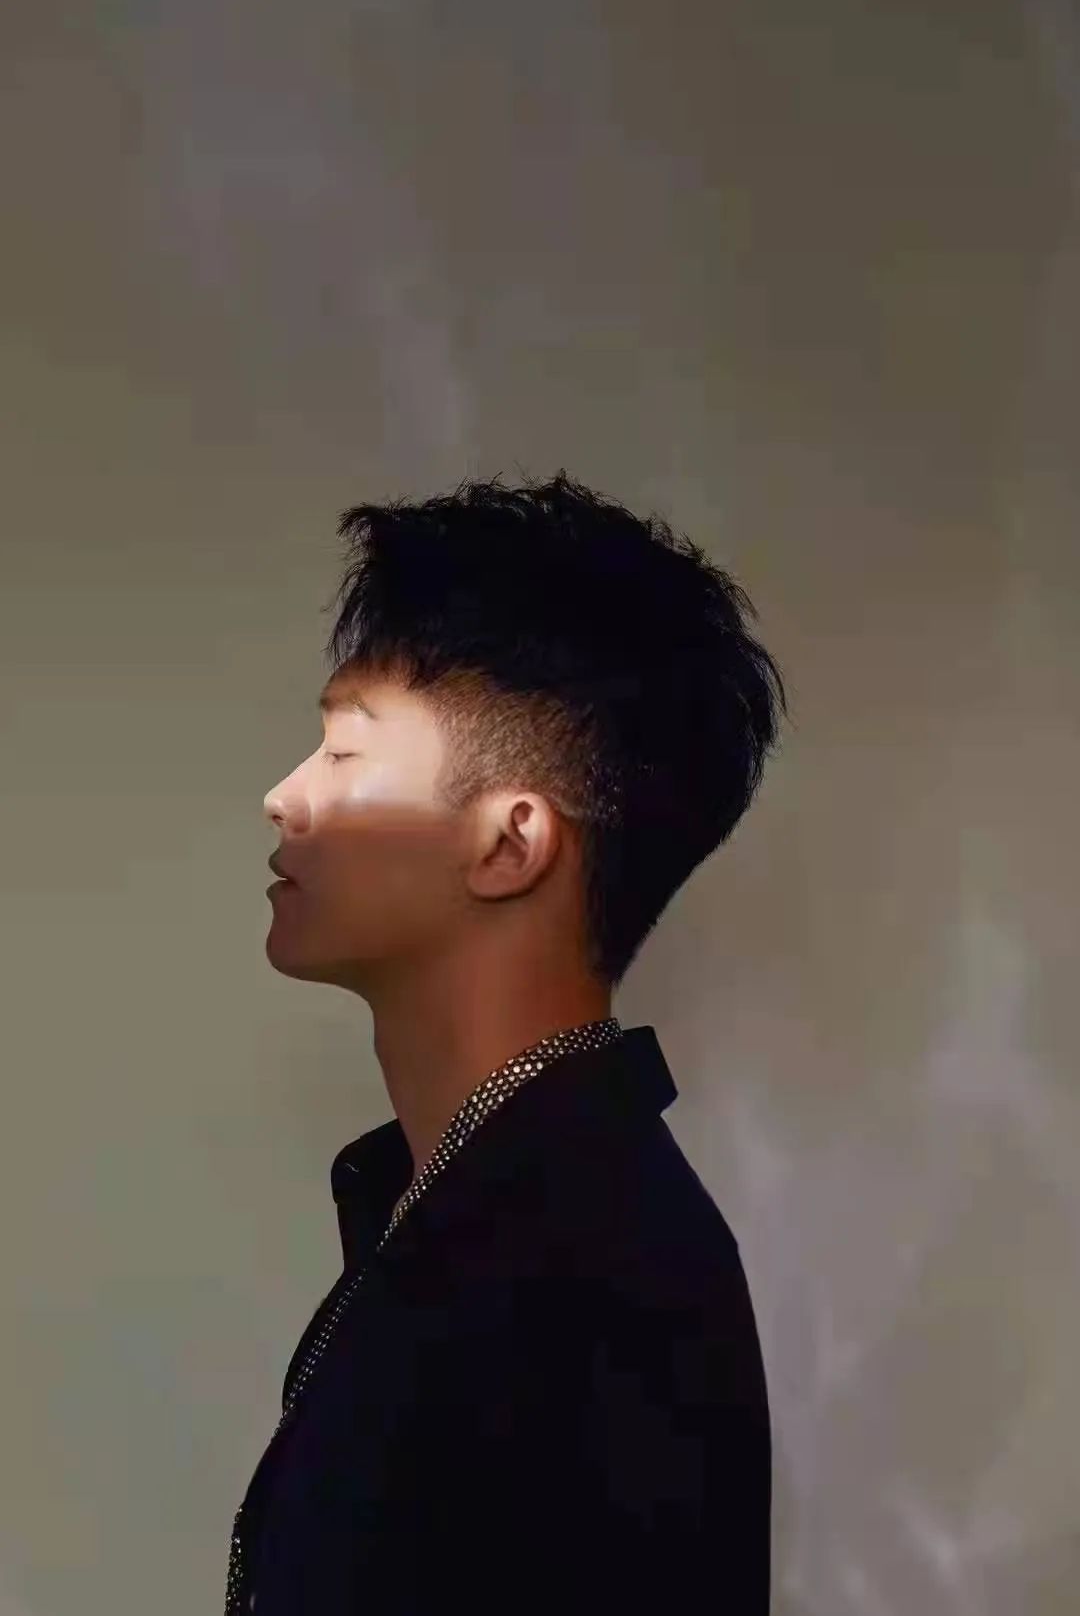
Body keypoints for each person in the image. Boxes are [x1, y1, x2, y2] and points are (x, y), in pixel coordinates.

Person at [228, 471, 787, 1614]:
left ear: (508, 844)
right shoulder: (458, 1212)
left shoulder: (598, 1277)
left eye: (344, 754)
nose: (284, 796)